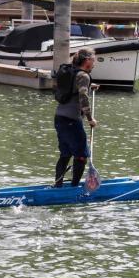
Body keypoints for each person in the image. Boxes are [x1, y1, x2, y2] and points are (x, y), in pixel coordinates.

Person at [54, 48, 99, 188]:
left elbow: (73, 88)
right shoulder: (83, 76)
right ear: (87, 61)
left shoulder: (71, 72)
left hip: (59, 118)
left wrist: (89, 86)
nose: (94, 63)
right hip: (71, 121)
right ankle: (74, 188)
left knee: (65, 154)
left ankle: (58, 185)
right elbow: (83, 98)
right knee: (81, 155)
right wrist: (90, 118)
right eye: (93, 60)